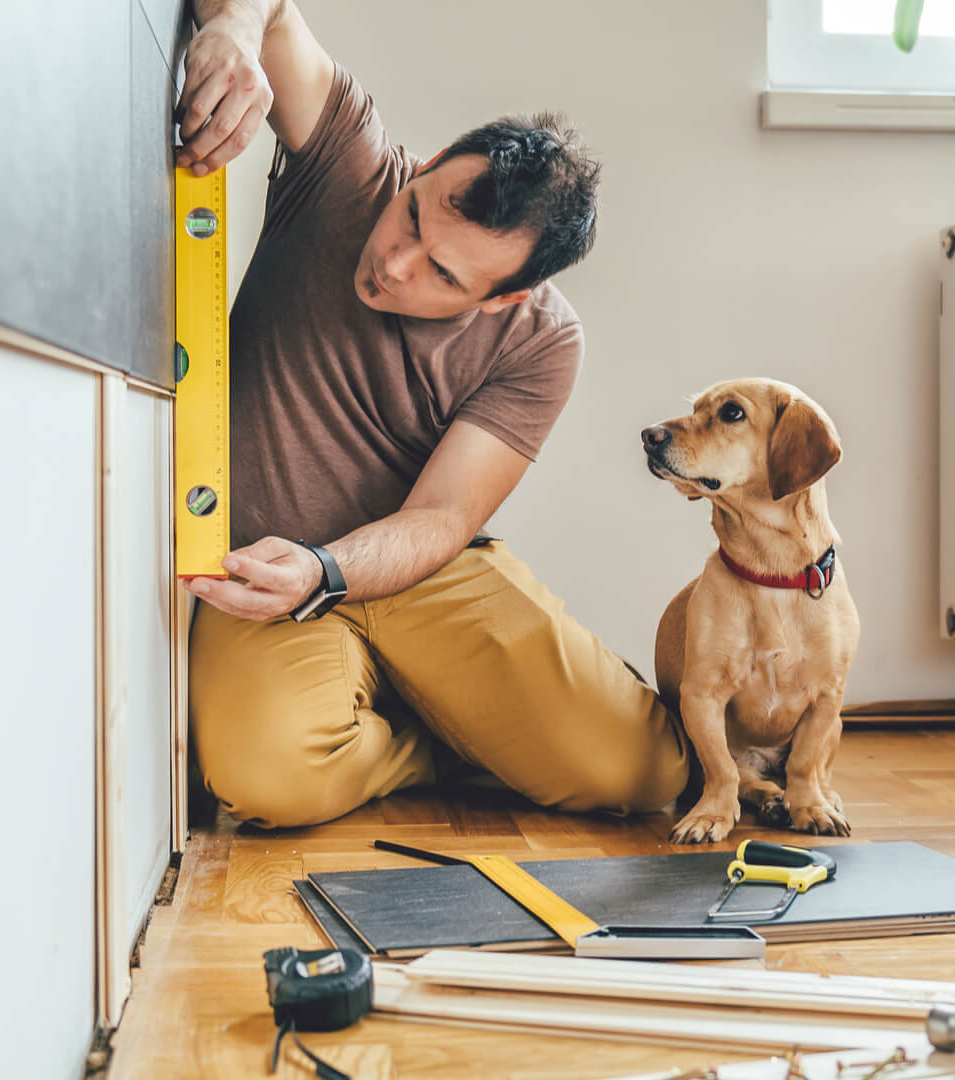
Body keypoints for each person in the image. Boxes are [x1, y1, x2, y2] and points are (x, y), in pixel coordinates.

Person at [176, 0, 688, 829]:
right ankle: (444, 739)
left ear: (503, 299)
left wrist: (330, 567)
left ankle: (457, 720)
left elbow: (445, 516)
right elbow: (269, 9)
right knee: (267, 781)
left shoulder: (542, 340)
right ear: (436, 162)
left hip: (417, 566)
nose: (394, 262)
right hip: (265, 572)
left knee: (644, 770)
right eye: (416, 214)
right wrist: (232, 31)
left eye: (443, 276)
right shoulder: (350, 163)